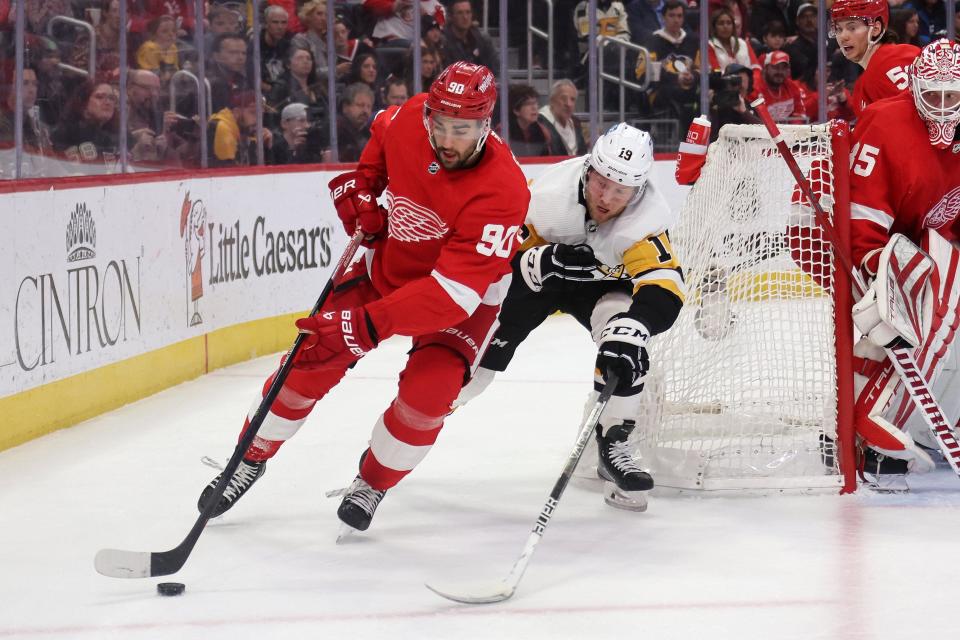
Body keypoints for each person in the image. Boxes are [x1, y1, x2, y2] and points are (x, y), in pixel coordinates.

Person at [197, 61, 530, 534]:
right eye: (440, 125)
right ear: (429, 115)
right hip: (387, 267)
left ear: (486, 124)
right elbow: (381, 138)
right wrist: (365, 189)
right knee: (312, 356)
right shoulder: (411, 118)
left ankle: (373, 481)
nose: (448, 139)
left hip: (460, 301)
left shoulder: (504, 190)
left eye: (463, 128)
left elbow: (452, 295)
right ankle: (248, 459)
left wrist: (369, 325)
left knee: (428, 399)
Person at [454, 123, 683, 511]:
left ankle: (613, 447)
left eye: (621, 190)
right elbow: (493, 261)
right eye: (601, 182)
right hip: (537, 282)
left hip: (603, 291)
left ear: (638, 190)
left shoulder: (646, 220)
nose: (607, 197)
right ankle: (421, 418)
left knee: (628, 349)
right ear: (588, 169)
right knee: (471, 371)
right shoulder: (546, 197)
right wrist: (538, 261)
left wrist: (636, 326)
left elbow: (665, 285)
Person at [843, 39, 960, 477]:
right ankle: (873, 416)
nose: (945, 108)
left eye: (954, 96)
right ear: (915, 89)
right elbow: (862, 226)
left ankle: (943, 422)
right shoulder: (885, 123)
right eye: (935, 96)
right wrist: (880, 276)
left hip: (924, 250)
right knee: (945, 288)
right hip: (879, 256)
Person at [829, 0, 921, 117]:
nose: (843, 37)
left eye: (852, 28)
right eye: (838, 29)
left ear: (876, 28)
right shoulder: (912, 52)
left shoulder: (908, 56)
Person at [51, 80, 120, 168]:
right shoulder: (65, 134)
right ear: (83, 103)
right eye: (99, 97)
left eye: (111, 98)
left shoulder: (117, 135)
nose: (108, 102)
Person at [207, 89, 272, 167]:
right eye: (253, 113)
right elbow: (230, 173)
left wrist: (265, 146)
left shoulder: (242, 129)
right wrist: (253, 145)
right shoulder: (222, 128)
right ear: (236, 112)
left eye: (261, 115)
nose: (257, 120)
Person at [750, 50, 808, 122]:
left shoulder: (792, 87)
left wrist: (793, 130)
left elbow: (799, 114)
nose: (780, 72)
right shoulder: (754, 88)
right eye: (775, 67)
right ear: (765, 68)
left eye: (784, 68)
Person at [441, 0, 497, 72]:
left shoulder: (482, 39)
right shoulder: (444, 42)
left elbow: (497, 70)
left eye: (468, 12)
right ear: (451, 17)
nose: (465, 17)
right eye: (460, 13)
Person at [538, 79, 587, 156]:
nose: (568, 104)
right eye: (563, 98)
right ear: (552, 100)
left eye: (572, 99)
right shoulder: (540, 123)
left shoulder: (576, 123)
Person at [363, 0, 446, 46]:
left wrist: (425, 17)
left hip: (413, 47)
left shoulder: (438, 8)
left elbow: (435, 37)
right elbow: (367, 4)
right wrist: (393, 6)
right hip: (386, 40)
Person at [506, 83, 554, 157]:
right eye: (528, 104)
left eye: (535, 103)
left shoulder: (543, 131)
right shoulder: (503, 131)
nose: (534, 107)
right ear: (516, 110)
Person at [706, 8, 759, 72]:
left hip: (748, 80)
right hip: (722, 80)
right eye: (721, 23)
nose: (725, 26)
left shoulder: (743, 43)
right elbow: (716, 71)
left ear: (733, 26)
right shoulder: (708, 46)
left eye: (729, 23)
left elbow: (756, 67)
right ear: (714, 27)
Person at [258, 5, 294, 94]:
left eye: (284, 22)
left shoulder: (287, 43)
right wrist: (273, 91)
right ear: (266, 24)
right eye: (275, 22)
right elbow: (251, 80)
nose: (280, 27)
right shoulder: (255, 45)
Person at [136, 15, 180, 86]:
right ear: (153, 35)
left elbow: (176, 72)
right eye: (165, 31)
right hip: (149, 87)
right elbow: (155, 78)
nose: (171, 34)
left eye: (173, 31)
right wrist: (170, 75)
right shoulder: (149, 48)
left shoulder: (173, 48)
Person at [335, 82, 374, 161]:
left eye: (368, 106)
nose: (365, 111)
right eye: (360, 105)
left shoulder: (369, 134)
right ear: (345, 107)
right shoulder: (335, 131)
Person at [783, 3, 819, 80]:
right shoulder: (792, 47)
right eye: (804, 17)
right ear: (797, 21)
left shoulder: (826, 41)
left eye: (812, 16)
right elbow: (807, 70)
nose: (809, 20)